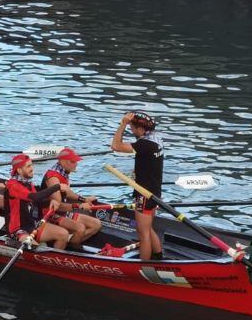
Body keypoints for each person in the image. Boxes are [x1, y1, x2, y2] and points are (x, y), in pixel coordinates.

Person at [111, 112, 164, 261]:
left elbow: (115, 146)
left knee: (143, 233)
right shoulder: (157, 138)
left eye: (132, 128)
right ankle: (159, 256)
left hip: (144, 194)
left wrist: (122, 124)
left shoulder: (144, 144)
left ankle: (144, 264)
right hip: (155, 192)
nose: (132, 131)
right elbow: (149, 159)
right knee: (148, 228)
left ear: (141, 129)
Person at [40, 147, 102, 251]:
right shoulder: (53, 178)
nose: (76, 164)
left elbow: (67, 192)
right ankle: (64, 246)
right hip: (48, 213)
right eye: (73, 161)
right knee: (80, 228)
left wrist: (83, 199)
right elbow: (57, 205)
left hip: (62, 212)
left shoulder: (63, 172)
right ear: (63, 162)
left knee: (96, 224)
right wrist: (79, 206)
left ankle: (68, 243)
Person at [4, 154, 70, 249]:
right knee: (33, 247)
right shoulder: (13, 185)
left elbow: (38, 202)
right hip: (18, 229)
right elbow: (34, 197)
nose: (32, 168)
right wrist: (57, 187)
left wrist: (50, 202)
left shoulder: (28, 183)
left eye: (31, 165)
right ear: (19, 170)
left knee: (63, 234)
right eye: (28, 166)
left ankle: (51, 260)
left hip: (32, 225)